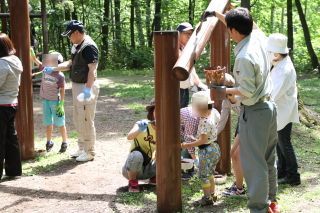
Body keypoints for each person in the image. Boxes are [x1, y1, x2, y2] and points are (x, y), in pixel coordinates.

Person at [203, 8, 279, 213]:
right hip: (270, 108)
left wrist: (223, 90)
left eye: (229, 29)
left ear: (234, 31)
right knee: (268, 158)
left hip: (255, 111)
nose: (228, 32)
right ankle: (272, 202)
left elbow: (246, 90)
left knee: (254, 164)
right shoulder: (258, 39)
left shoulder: (244, 57)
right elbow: (248, 24)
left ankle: (259, 208)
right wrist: (216, 15)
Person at [43, 20, 99, 162]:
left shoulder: (88, 47)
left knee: (86, 119)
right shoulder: (77, 45)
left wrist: (87, 89)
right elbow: (71, 63)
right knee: (78, 117)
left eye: (70, 35)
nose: (69, 38)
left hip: (86, 87)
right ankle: (81, 148)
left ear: (77, 33)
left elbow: (92, 70)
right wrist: (54, 68)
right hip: (76, 85)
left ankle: (89, 151)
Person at [267, 33, 301, 186]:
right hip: (281, 109)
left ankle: (293, 175)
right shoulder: (281, 61)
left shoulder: (284, 69)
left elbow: (274, 93)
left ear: (276, 52)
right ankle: (282, 170)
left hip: (284, 110)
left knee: (284, 143)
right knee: (279, 143)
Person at [181, 91, 220, 207]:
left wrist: (187, 145)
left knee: (203, 175)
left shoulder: (204, 122)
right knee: (210, 173)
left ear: (198, 108)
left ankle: (207, 197)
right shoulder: (214, 113)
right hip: (215, 147)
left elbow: (202, 140)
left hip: (206, 150)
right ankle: (213, 194)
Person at [217, 74, 245, 196]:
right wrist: (209, 137)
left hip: (251, 121)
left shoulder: (242, 95)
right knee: (235, 154)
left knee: (236, 154)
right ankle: (238, 186)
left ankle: (240, 188)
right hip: (242, 122)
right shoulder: (225, 102)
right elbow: (222, 122)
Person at [0, 33, 23, 179]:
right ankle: (14, 171)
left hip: (1, 105)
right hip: (12, 102)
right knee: (10, 138)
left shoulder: (2, 63)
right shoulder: (15, 60)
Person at [122, 99, 156, 193]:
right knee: (136, 154)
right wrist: (140, 130)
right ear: (152, 112)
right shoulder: (142, 123)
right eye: (156, 110)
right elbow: (129, 136)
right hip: (132, 168)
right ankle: (133, 182)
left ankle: (155, 177)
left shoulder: (166, 128)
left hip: (149, 168)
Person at [40, 52, 68, 153]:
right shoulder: (45, 70)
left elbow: (62, 89)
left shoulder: (60, 76)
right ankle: (49, 142)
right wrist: (32, 53)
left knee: (60, 123)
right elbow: (35, 61)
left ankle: (65, 142)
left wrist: (61, 103)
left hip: (55, 102)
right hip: (45, 101)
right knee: (48, 122)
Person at [177, 22, 208, 108]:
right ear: (178, 34)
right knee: (175, 113)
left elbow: (192, 70)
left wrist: (199, 83)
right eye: (186, 33)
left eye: (191, 34)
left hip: (184, 88)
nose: (189, 36)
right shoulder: (173, 49)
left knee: (182, 112)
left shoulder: (184, 49)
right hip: (174, 88)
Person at [180, 105, 199, 180]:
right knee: (186, 148)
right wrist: (195, 159)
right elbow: (189, 141)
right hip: (176, 126)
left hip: (183, 126)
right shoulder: (193, 119)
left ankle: (188, 169)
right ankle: (185, 171)